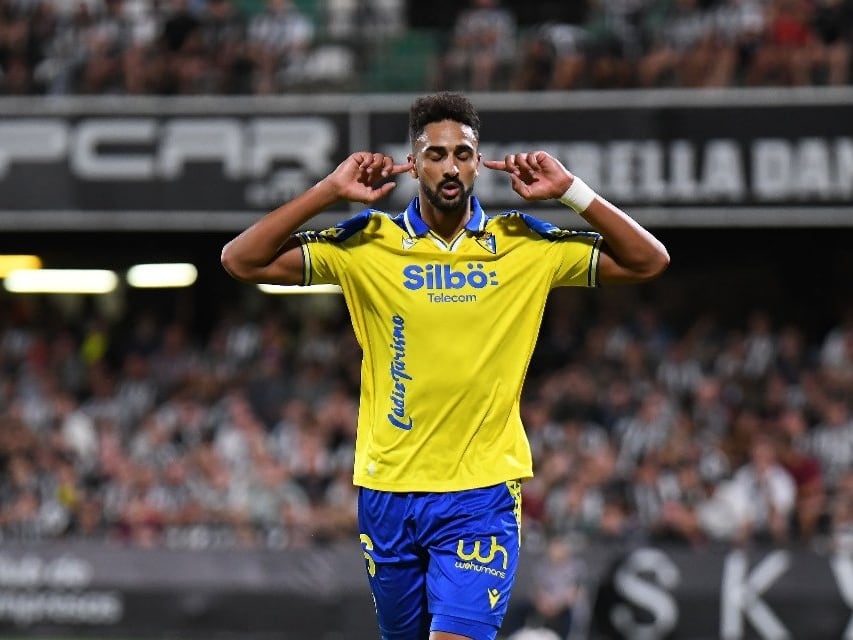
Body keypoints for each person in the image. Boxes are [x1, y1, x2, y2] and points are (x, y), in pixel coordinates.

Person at [220, 92, 669, 640]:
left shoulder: (524, 245)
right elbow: (241, 260)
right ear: (413, 162)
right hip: (388, 489)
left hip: (480, 493)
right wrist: (330, 191)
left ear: (479, 163)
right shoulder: (367, 244)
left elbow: (649, 260)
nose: (450, 166)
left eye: (463, 153)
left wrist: (571, 192)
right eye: (436, 154)